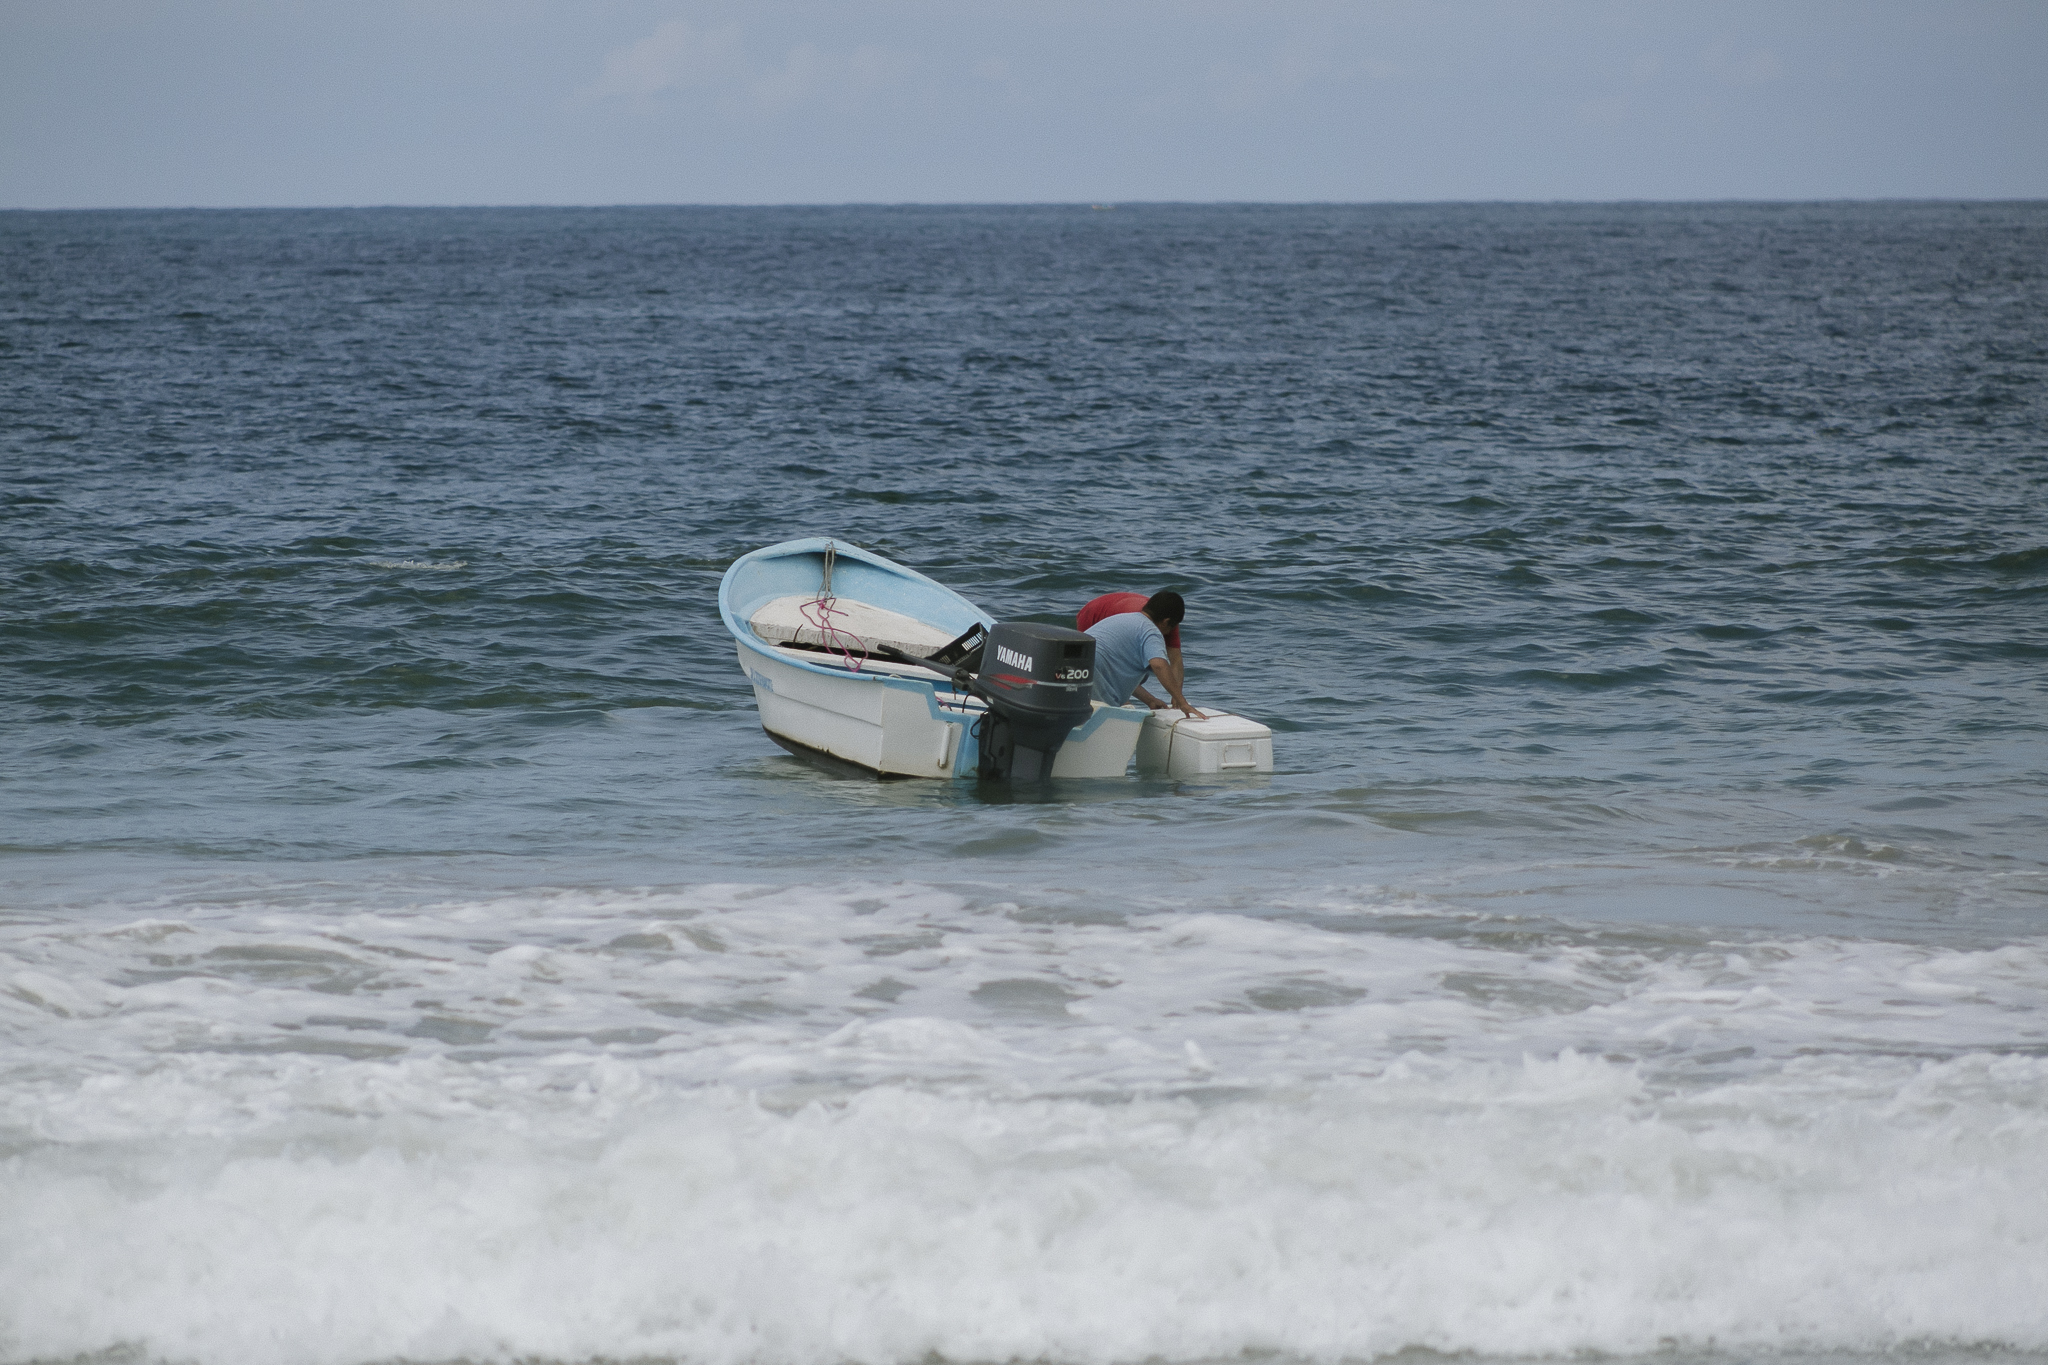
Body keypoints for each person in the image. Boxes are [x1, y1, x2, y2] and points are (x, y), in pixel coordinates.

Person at [1080, 590, 1199, 714]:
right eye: (1171, 628)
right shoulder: (1150, 631)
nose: (1168, 634)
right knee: (1106, 713)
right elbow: (1159, 665)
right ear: (1166, 622)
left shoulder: (1122, 618)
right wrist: (1182, 703)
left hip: (1073, 664)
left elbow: (1124, 679)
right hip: (1094, 670)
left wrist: (1150, 700)